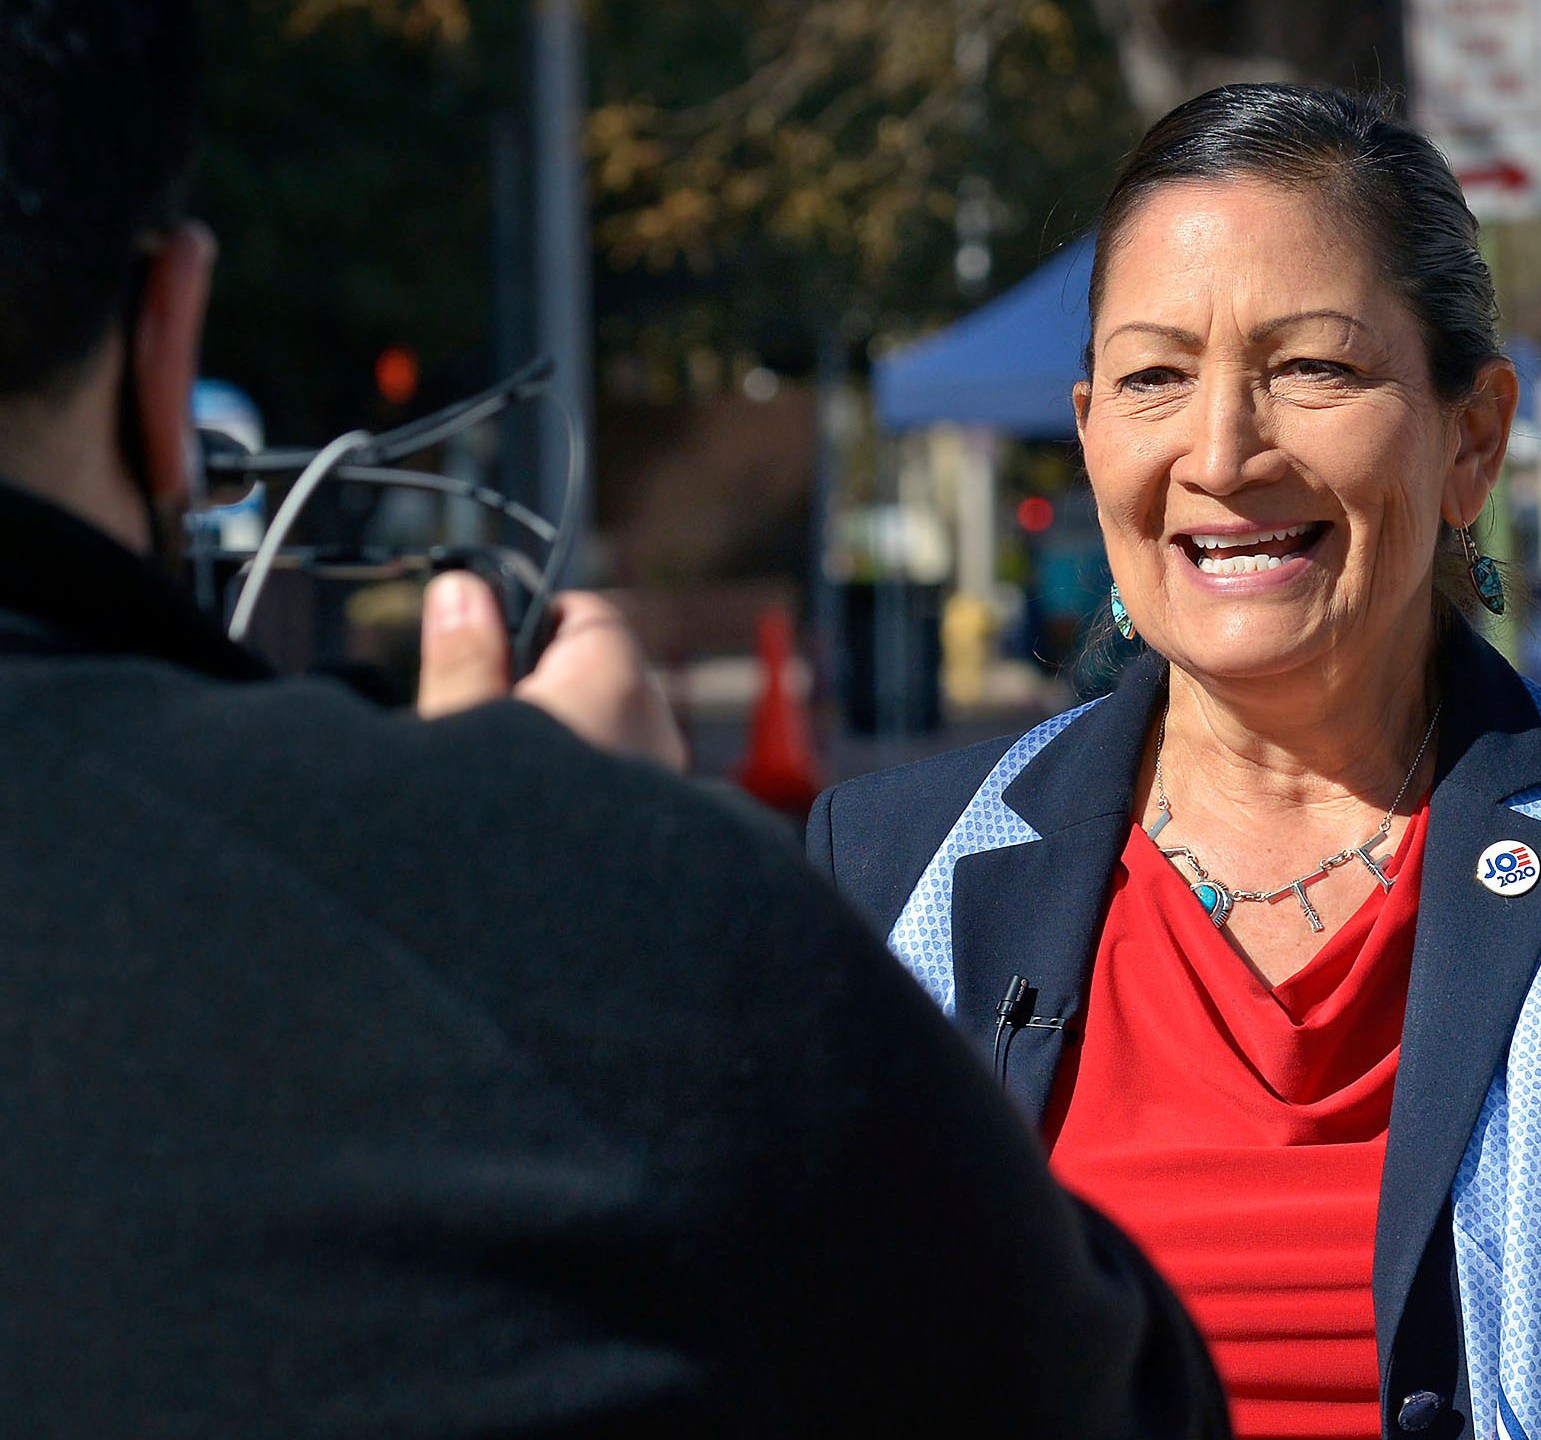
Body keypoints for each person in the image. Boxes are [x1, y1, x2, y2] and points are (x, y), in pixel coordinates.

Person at [0, 7, 1227, 1435]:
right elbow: (1095, 1396)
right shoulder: (605, 902)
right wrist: (573, 890)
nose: (1224, 451)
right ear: (168, 350)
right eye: (1153, 380)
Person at [811, 84, 1541, 1440]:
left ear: (1471, 437)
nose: (1220, 451)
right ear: (1088, 433)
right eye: (1152, 377)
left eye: (1311, 368)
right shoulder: (899, 877)